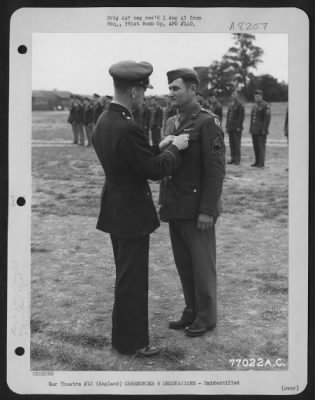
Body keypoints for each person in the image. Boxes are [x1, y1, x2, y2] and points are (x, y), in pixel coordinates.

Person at [92, 60, 190, 357]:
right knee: (133, 280)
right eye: (143, 92)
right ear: (134, 92)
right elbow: (153, 170)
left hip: (115, 207)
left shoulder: (105, 121)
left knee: (125, 276)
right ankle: (132, 343)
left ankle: (123, 338)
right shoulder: (128, 126)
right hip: (132, 213)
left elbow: (131, 160)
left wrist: (160, 144)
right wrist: (176, 148)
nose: (144, 97)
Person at [159, 68, 226, 337]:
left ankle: (207, 316)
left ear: (193, 90)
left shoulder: (208, 122)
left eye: (176, 88)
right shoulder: (170, 122)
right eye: (170, 88)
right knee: (185, 265)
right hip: (176, 205)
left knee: (202, 265)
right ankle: (192, 309)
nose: (171, 93)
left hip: (198, 208)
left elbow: (216, 170)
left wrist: (208, 210)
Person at [249, 89, 271, 168]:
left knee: (261, 147)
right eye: (255, 96)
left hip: (261, 130)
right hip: (254, 130)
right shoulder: (254, 106)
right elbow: (252, 119)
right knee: (255, 146)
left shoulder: (266, 105)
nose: (256, 98)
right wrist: (251, 128)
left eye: (258, 96)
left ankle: (261, 163)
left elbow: (267, 119)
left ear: (261, 96)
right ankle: (257, 161)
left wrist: (264, 129)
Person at [226, 90, 245, 165]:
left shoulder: (240, 105)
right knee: (232, 143)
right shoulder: (231, 105)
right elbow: (228, 117)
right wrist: (227, 126)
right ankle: (233, 158)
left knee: (237, 144)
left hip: (236, 127)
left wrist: (238, 126)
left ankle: (237, 160)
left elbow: (241, 117)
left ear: (238, 95)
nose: (233, 95)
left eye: (235, 94)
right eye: (232, 94)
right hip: (230, 127)